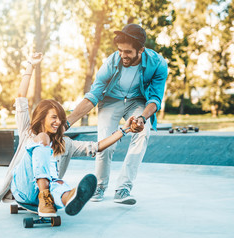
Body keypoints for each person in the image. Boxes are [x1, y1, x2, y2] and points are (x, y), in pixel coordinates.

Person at [0, 52, 136, 217]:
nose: (59, 122)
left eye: (61, 119)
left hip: (45, 197)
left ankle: (69, 197)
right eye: (54, 118)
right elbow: (21, 98)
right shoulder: (28, 131)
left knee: (58, 183)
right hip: (23, 189)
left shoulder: (65, 143)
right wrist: (30, 65)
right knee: (43, 140)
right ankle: (45, 195)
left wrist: (124, 130)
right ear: (42, 118)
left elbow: (96, 147)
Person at [66, 24, 168, 204]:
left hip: (138, 101)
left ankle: (123, 188)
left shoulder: (158, 64)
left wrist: (142, 118)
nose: (123, 55)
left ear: (141, 50)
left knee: (143, 133)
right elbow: (93, 96)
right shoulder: (112, 62)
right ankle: (99, 186)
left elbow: (155, 99)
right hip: (111, 100)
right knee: (106, 142)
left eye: (127, 52)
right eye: (120, 50)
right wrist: (67, 123)